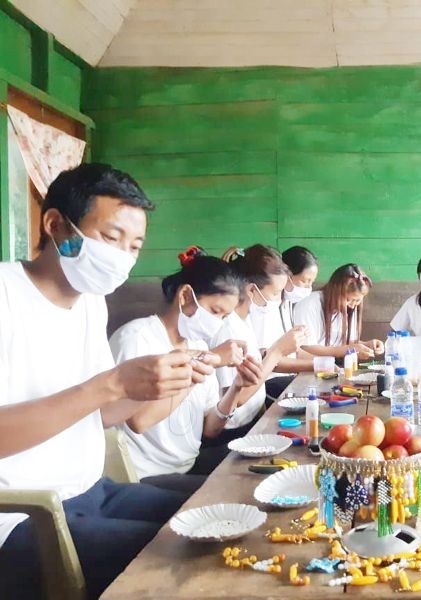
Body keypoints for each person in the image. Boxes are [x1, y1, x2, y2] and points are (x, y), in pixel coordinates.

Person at [0, 164, 212, 599]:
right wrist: (111, 384)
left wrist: (166, 381)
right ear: (56, 225)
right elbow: (100, 393)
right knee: (197, 559)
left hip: (92, 491)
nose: (123, 256)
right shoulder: (5, 295)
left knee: (220, 517)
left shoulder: (91, 305)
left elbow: (100, 414)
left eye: (134, 246)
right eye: (110, 238)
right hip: (23, 516)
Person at [111, 248, 303, 493]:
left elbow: (210, 428)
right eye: (214, 311)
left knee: (278, 465)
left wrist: (236, 388)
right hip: (148, 473)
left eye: (224, 317)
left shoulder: (197, 345)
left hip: (189, 462)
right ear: (185, 297)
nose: (217, 324)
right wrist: (207, 363)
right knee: (239, 492)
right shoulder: (137, 338)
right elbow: (140, 421)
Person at [221, 245, 314, 404]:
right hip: (238, 426)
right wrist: (277, 351)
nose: (278, 299)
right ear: (251, 290)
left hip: (255, 413)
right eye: (276, 293)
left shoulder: (245, 320)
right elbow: (238, 398)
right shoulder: (228, 328)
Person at [293, 263, 384, 360]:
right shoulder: (309, 305)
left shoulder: (351, 307)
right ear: (335, 292)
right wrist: (349, 350)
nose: (352, 305)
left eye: (357, 300)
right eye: (348, 300)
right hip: (311, 366)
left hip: (333, 366)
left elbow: (344, 343)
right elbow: (306, 348)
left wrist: (367, 345)